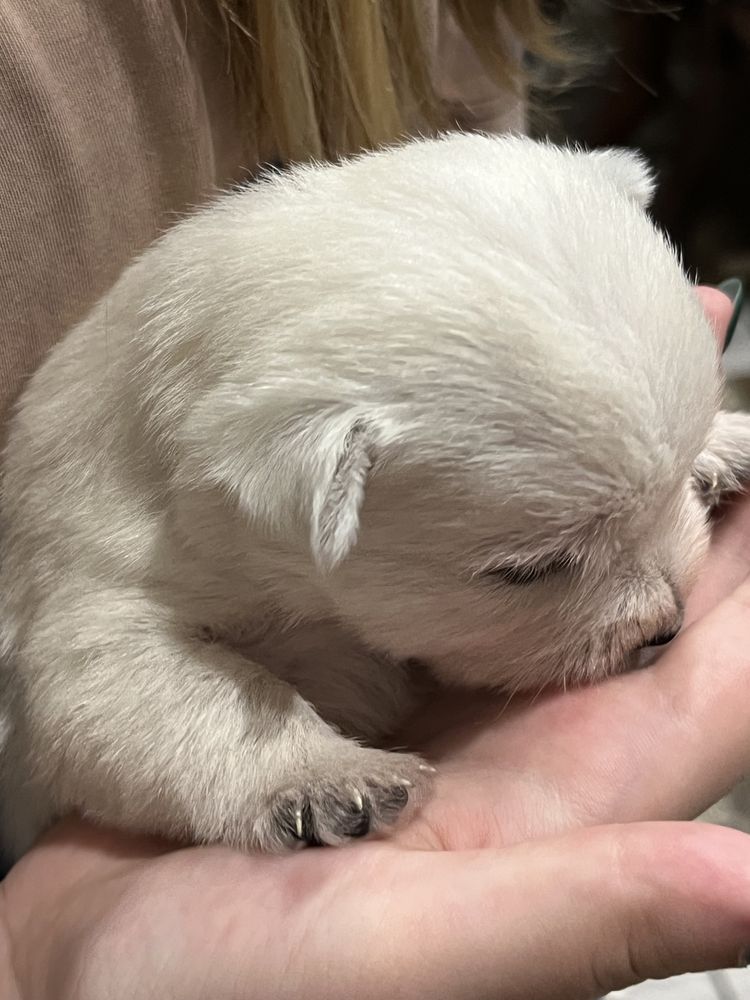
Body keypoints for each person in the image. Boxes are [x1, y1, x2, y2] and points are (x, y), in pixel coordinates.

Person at [0, 4, 746, 997]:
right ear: (302, 489)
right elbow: (89, 684)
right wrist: (274, 769)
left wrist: (665, 458)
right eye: (536, 563)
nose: (663, 602)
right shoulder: (244, 462)